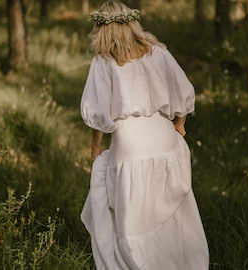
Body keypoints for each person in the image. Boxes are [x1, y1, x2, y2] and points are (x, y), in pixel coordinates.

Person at [80, 1, 209, 269]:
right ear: (132, 22)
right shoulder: (158, 53)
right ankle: (183, 260)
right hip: (163, 136)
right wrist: (180, 126)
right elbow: (184, 92)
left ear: (100, 28)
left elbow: (98, 113)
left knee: (130, 210)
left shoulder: (103, 62)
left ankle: (139, 260)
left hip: (130, 144)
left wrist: (95, 148)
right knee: (171, 211)